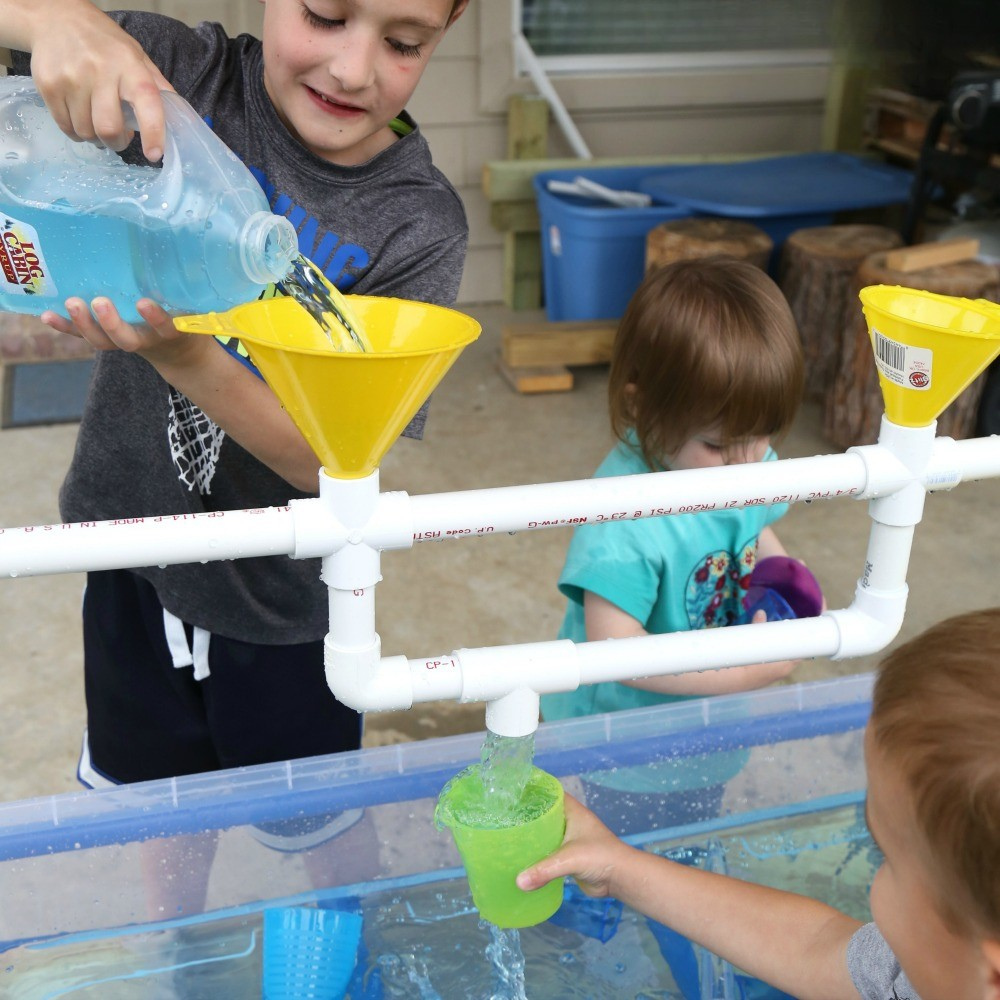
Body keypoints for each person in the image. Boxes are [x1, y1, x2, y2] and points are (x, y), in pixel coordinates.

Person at [1, 0, 468, 791]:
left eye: (402, 43)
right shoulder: (171, 76)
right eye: (324, 15)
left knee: (305, 826)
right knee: (147, 806)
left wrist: (184, 353)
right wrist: (54, 22)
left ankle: (309, 918)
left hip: (280, 608)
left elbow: (326, 462)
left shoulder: (415, 227)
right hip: (129, 554)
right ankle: (184, 925)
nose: (353, 69)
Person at [519, 607, 1000, 1000]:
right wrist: (620, 867)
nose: (877, 876)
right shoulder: (930, 972)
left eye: (886, 857)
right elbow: (815, 947)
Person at [540, 256, 815, 831]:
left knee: (691, 829)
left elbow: (755, 522)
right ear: (643, 405)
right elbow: (614, 651)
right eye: (718, 444)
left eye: (759, 436)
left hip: (708, 725)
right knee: (621, 852)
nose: (747, 461)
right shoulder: (624, 516)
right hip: (625, 742)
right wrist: (746, 672)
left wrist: (779, 566)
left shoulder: (742, 458)